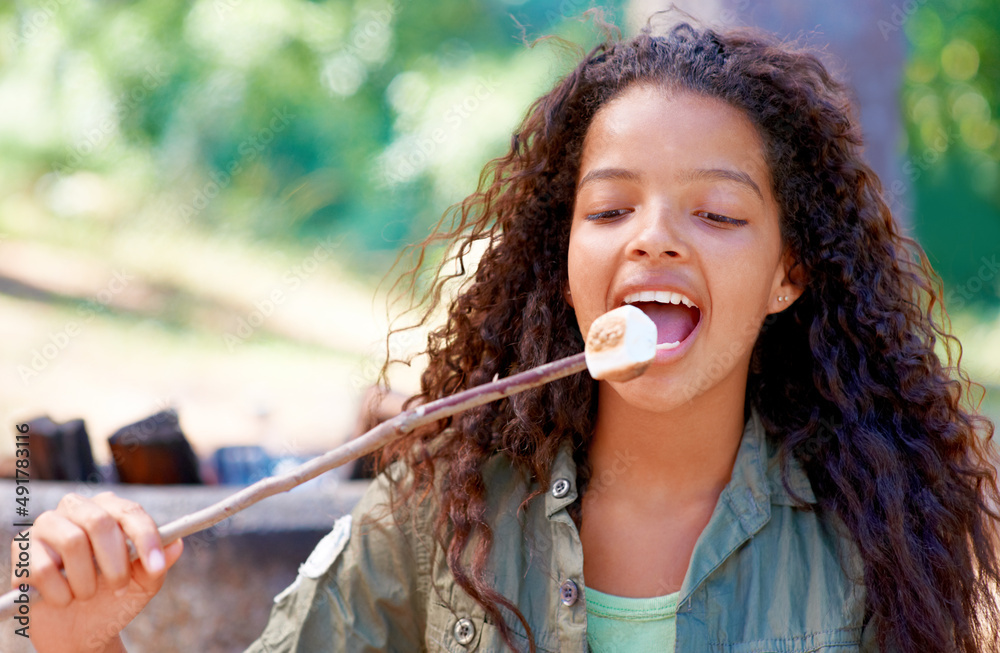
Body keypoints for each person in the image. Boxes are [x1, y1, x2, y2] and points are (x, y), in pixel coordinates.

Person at [14, 18, 1000, 653]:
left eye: (717, 214)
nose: (652, 234)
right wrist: (77, 639)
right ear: (559, 255)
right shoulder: (436, 515)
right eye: (610, 210)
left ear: (788, 274)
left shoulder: (868, 535)